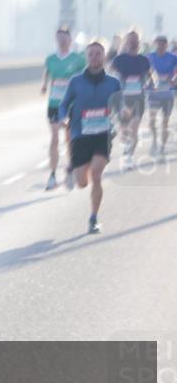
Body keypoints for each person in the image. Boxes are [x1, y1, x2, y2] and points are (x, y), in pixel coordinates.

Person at [59, 40, 122, 233]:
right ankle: (72, 169)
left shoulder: (113, 82)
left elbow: (120, 106)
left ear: (104, 57)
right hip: (80, 135)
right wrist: (63, 119)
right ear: (86, 58)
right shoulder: (76, 82)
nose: (95, 57)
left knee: (96, 175)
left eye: (98, 53)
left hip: (102, 134)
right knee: (82, 183)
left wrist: (123, 114)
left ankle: (93, 218)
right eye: (91, 54)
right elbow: (63, 105)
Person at [40, 27, 86, 190]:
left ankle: (71, 168)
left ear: (70, 40)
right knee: (54, 138)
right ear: (56, 39)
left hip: (71, 105)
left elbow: (84, 76)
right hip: (54, 104)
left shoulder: (78, 59)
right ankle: (52, 175)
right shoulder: (51, 59)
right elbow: (47, 72)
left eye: (65, 38)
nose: (62, 41)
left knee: (70, 140)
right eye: (59, 38)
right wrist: (45, 85)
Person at [109, 29, 153, 170]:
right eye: (130, 39)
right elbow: (110, 75)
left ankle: (128, 156)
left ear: (139, 42)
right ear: (126, 42)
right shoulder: (119, 59)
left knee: (134, 128)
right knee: (125, 131)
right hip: (122, 99)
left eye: (135, 39)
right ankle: (126, 146)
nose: (133, 42)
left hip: (138, 98)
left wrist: (151, 84)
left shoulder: (144, 60)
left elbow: (148, 77)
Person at [147, 35, 177, 158]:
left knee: (165, 122)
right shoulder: (149, 57)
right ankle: (154, 139)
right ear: (155, 44)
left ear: (166, 44)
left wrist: (174, 80)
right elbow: (145, 71)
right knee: (152, 121)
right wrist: (150, 78)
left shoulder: (173, 57)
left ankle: (162, 148)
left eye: (163, 43)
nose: (161, 46)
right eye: (158, 43)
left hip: (168, 94)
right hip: (153, 93)